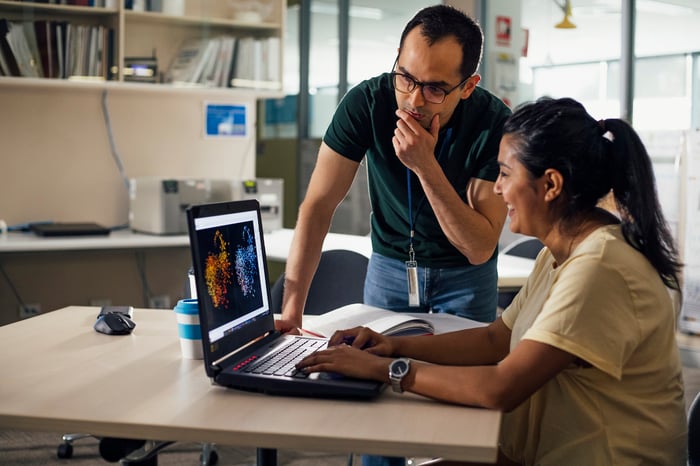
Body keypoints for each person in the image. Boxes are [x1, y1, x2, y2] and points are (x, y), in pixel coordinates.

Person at [296, 97, 688, 465]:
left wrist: (387, 369)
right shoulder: (561, 252)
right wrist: (391, 345)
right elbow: (495, 339)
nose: (497, 188)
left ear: (550, 185)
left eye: (504, 173)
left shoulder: (599, 265)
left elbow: (499, 388)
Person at [276, 4, 511, 336]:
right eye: (406, 77)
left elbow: (478, 249)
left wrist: (426, 166)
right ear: (398, 59)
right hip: (390, 268)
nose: (414, 100)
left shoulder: (494, 123)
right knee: (374, 372)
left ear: (468, 87)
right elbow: (318, 206)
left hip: (466, 277)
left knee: (458, 377)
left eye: (434, 89)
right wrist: (292, 312)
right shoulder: (366, 103)